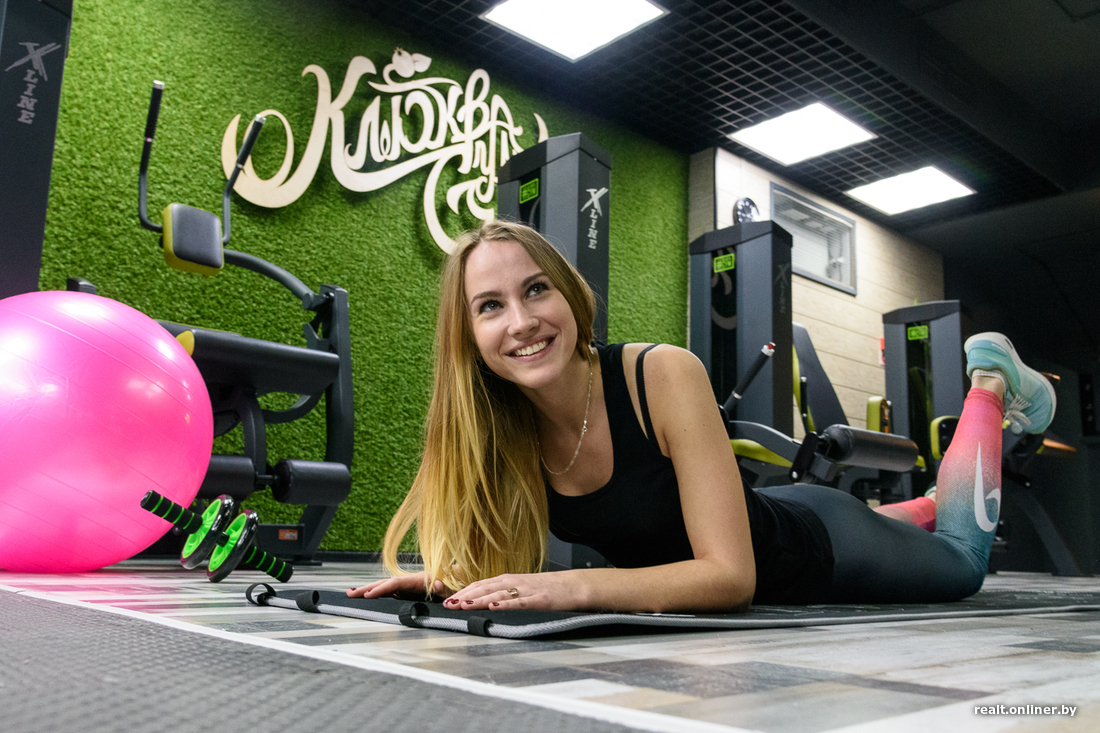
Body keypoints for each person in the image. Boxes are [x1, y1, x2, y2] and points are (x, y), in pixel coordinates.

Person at [348, 220, 1056, 613]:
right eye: (490, 305)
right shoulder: (499, 428)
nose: (522, 320)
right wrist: (453, 578)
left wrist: (575, 587)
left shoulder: (661, 374)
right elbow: (502, 561)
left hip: (817, 547)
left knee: (962, 563)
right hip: (766, 513)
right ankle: (928, 502)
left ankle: (992, 381)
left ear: (570, 295)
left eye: (536, 290)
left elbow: (730, 577)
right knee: (917, 513)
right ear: (469, 336)